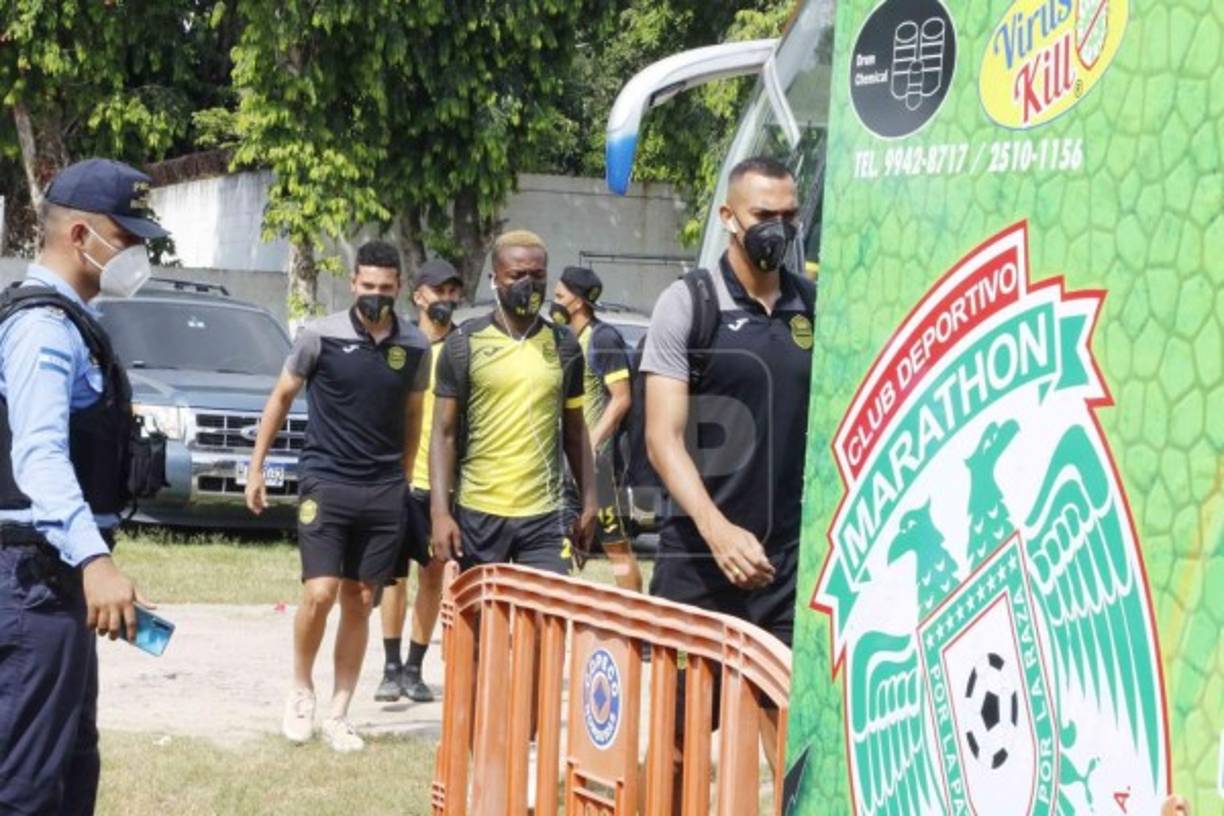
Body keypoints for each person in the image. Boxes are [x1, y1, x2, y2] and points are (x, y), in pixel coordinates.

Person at [0, 158, 163, 813]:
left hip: (52, 576)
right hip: (32, 577)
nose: (137, 253)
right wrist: (92, 559)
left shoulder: (70, 322)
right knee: (27, 786)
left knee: (68, 766)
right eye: (126, 239)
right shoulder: (42, 327)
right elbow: (38, 455)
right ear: (79, 237)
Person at [640, 157, 814, 757]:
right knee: (677, 747)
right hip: (699, 563)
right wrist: (717, 533)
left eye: (789, 216)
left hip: (787, 570)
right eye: (764, 215)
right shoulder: (689, 304)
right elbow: (662, 439)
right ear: (728, 217)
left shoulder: (816, 308)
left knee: (791, 748)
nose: (779, 230)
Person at [245, 240, 430, 753]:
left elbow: (414, 417)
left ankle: (340, 712)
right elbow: (280, 397)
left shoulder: (415, 346)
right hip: (326, 480)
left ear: (399, 290)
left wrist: (406, 478)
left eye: (386, 289)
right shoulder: (318, 336)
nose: (376, 295)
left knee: (362, 599)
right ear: (353, 284)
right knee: (320, 592)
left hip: (384, 487)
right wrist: (256, 468)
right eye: (368, 286)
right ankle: (301, 689)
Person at [429, 230, 597, 572]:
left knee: (544, 622)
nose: (528, 285)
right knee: (479, 624)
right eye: (517, 275)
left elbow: (576, 432)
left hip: (545, 519)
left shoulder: (564, 345)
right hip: (478, 514)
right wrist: (439, 512)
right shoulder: (464, 343)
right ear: (495, 279)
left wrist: (591, 501)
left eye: (537, 276)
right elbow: (443, 433)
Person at [375, 259, 463, 703]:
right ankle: (389, 667)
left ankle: (414, 666)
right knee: (393, 576)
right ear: (418, 296)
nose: (444, 300)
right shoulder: (401, 344)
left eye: (452, 292)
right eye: (437, 292)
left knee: (432, 578)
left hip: (442, 486)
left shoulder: (464, 348)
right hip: (399, 479)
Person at [550, 266, 641, 591]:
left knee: (616, 549)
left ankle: (635, 628)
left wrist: (591, 444)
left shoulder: (602, 338)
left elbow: (621, 399)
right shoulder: (559, 338)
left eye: (559, 296)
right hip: (560, 463)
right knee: (557, 548)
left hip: (596, 467)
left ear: (577, 302)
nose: (554, 302)